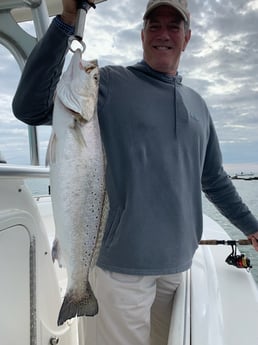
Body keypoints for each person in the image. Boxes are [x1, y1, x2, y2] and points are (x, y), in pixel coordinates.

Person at [12, 0, 258, 344]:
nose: (164, 34)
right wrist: (67, 21)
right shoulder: (108, 84)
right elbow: (29, 106)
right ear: (142, 35)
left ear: (187, 38)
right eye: (154, 25)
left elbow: (214, 180)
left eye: (174, 26)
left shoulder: (198, 105)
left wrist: (251, 227)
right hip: (118, 271)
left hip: (177, 268)